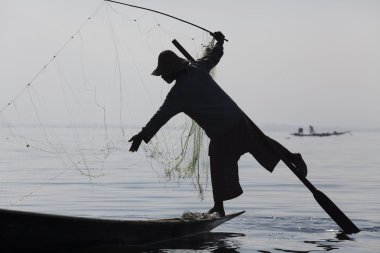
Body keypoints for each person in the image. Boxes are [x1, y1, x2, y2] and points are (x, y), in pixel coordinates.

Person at [129, 31, 307, 217]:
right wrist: (220, 42)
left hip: (224, 130)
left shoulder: (178, 94)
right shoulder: (198, 67)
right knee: (260, 143)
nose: (162, 77)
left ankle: (219, 206)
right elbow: (213, 57)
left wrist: (143, 135)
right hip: (235, 118)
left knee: (245, 149)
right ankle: (293, 157)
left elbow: (160, 117)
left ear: (172, 70)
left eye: (163, 73)